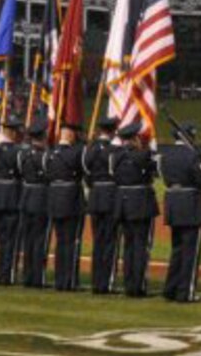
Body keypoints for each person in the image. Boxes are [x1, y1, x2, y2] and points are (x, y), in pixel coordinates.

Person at [159, 123, 201, 304]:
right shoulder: (192, 156)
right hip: (190, 205)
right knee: (191, 252)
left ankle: (170, 289)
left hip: (173, 203)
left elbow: (166, 180)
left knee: (177, 250)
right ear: (190, 137)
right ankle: (186, 292)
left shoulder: (166, 155)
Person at [112, 119, 159, 298]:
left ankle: (128, 283)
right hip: (140, 204)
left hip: (122, 204)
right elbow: (155, 171)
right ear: (135, 138)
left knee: (128, 246)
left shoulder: (115, 156)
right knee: (141, 246)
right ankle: (138, 286)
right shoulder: (143, 155)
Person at [45, 119, 86, 291]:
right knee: (71, 242)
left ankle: (59, 279)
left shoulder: (51, 153)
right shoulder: (77, 153)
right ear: (70, 135)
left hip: (54, 200)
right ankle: (68, 281)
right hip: (71, 201)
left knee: (60, 241)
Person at [83, 116, 121, 294]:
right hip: (111, 197)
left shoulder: (89, 149)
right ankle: (106, 282)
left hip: (95, 196)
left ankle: (96, 282)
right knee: (109, 242)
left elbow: (86, 173)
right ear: (113, 131)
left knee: (98, 241)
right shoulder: (114, 151)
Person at [15, 116, 52, 288]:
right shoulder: (44, 156)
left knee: (27, 240)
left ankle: (27, 275)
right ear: (43, 136)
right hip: (40, 198)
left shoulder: (23, 155)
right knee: (39, 240)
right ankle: (36, 277)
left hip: (26, 197)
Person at [0, 115, 22, 285]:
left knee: (0, 238)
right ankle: (7, 274)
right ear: (13, 133)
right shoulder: (18, 152)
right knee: (11, 238)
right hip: (12, 196)